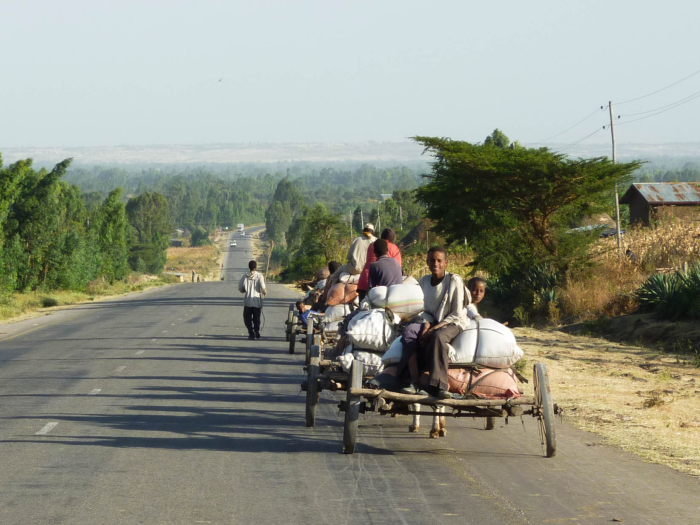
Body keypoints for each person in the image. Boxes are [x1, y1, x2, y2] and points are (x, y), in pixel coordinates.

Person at [399, 246, 469, 399]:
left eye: (439, 260)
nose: (435, 264)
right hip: (433, 322)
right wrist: (425, 327)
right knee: (409, 332)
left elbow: (456, 313)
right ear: (427, 262)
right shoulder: (424, 281)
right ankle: (413, 381)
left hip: (454, 322)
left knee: (438, 337)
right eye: (432, 260)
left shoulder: (453, 280)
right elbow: (426, 311)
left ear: (446, 263)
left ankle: (439, 385)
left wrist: (434, 329)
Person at [357, 228, 402, 300]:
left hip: (364, 281)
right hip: (383, 288)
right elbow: (397, 269)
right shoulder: (394, 248)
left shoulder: (372, 245)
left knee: (361, 308)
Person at [238, 260, 267, 340]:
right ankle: (256, 330)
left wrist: (245, 290)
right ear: (255, 267)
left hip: (248, 302)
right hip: (257, 301)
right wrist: (264, 292)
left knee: (247, 318)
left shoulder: (245, 276)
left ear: (249, 267)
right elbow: (263, 288)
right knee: (256, 318)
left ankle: (251, 333)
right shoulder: (260, 276)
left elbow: (240, 288)